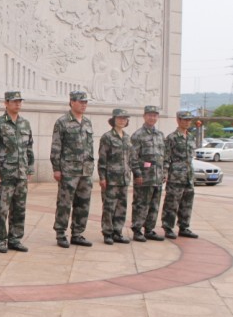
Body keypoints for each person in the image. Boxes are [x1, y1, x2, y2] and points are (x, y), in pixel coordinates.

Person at [0, 90, 35, 253]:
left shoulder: (25, 124)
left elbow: (29, 147)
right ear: (6, 103)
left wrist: (30, 167)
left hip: (21, 173)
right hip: (5, 174)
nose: (18, 104)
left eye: (19, 101)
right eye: (14, 101)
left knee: (19, 208)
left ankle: (15, 239)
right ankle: (0, 239)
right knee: (1, 208)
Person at [50, 90, 95, 248]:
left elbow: (90, 147)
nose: (84, 105)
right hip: (68, 170)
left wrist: (90, 166)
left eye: (85, 102)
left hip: (85, 171)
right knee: (64, 203)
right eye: (80, 102)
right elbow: (56, 146)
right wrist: (57, 168)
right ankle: (61, 233)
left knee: (83, 203)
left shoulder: (88, 122)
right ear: (72, 102)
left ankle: (77, 233)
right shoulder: (62, 122)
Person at [130, 105, 166, 242]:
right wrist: (137, 174)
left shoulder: (160, 135)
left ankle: (149, 229)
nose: (152, 118)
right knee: (141, 204)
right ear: (144, 116)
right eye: (150, 115)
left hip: (157, 177)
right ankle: (137, 229)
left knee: (154, 205)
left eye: (155, 115)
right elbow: (133, 157)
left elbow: (164, 156)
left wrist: (164, 172)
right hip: (144, 177)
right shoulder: (138, 135)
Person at [162, 111, 199, 239]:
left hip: (188, 176)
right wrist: (165, 173)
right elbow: (166, 158)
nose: (187, 122)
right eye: (184, 120)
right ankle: (168, 227)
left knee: (187, 203)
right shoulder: (171, 138)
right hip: (176, 176)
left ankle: (184, 227)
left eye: (189, 120)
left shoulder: (191, 137)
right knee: (172, 203)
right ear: (178, 120)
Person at [97, 108, 132, 245]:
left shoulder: (127, 137)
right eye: (119, 118)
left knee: (121, 206)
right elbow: (102, 159)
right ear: (113, 120)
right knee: (109, 207)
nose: (122, 120)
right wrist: (102, 177)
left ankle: (118, 231)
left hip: (124, 178)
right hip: (111, 178)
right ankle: (107, 233)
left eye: (124, 118)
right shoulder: (107, 137)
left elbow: (130, 159)